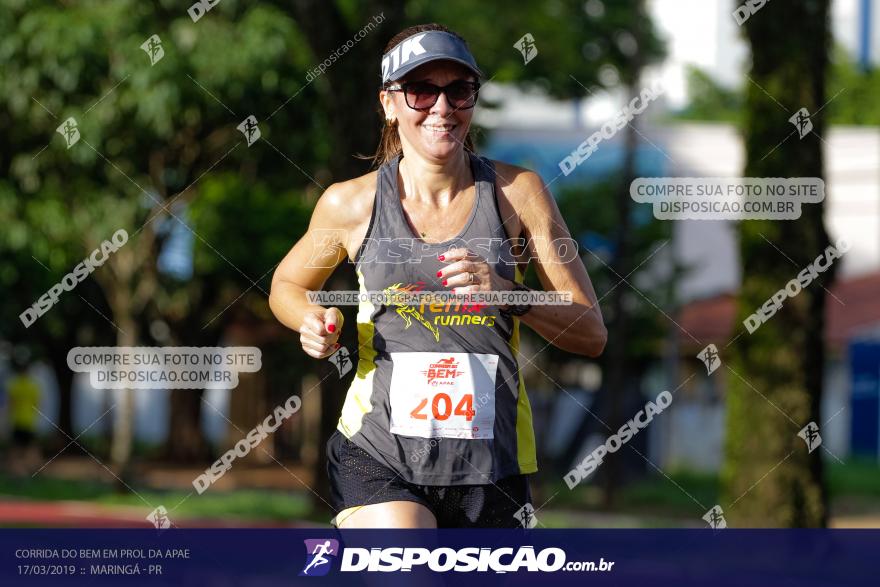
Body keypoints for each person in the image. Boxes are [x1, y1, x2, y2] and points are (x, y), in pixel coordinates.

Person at [269, 23, 607, 529]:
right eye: (421, 90)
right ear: (389, 104)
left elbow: (590, 331)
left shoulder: (520, 195)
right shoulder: (351, 203)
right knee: (409, 555)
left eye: (459, 90)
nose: (442, 107)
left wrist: (507, 293)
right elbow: (286, 286)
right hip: (379, 454)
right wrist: (310, 320)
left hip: (492, 469)